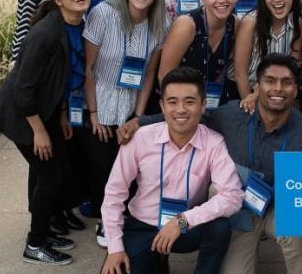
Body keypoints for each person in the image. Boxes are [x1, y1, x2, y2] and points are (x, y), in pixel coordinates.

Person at [118, 54, 302, 274]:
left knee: (299, 241)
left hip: (283, 208)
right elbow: (189, 117)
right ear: (257, 87)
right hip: (243, 209)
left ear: (296, 90)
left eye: (287, 82)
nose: (278, 88)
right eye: (270, 81)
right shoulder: (234, 115)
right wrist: (140, 122)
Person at [0, 0, 92, 266]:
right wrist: (39, 132)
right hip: (21, 114)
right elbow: (23, 90)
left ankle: (45, 229)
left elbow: (58, 80)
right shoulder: (45, 35)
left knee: (58, 171)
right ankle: (36, 244)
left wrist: (61, 117)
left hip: (45, 112)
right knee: (50, 174)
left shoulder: (76, 26)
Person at [100, 67, 244, 274]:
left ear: (203, 105)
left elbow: (233, 196)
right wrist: (114, 248)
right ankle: (155, 261)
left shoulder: (214, 142)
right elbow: (114, 193)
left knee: (219, 227)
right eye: (173, 102)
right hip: (143, 224)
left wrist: (182, 220)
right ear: (162, 105)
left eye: (190, 101)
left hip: (186, 227)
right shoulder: (140, 139)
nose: (181, 109)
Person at [83, 0, 171, 247]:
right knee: (103, 168)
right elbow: (88, 68)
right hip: (101, 105)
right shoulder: (103, 14)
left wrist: (139, 117)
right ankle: (104, 223)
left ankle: (126, 221)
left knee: (132, 171)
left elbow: (149, 74)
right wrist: (94, 113)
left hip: (132, 106)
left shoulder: (161, 23)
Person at [159, 0, 241, 109]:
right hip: (176, 106)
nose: (221, 0)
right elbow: (164, 75)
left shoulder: (234, 24)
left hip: (210, 104)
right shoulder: (187, 25)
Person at [234, 0, 302, 108]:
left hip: (277, 90)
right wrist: (249, 100)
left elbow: (293, 66)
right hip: (244, 90)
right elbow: (239, 73)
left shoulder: (298, 23)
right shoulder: (251, 22)